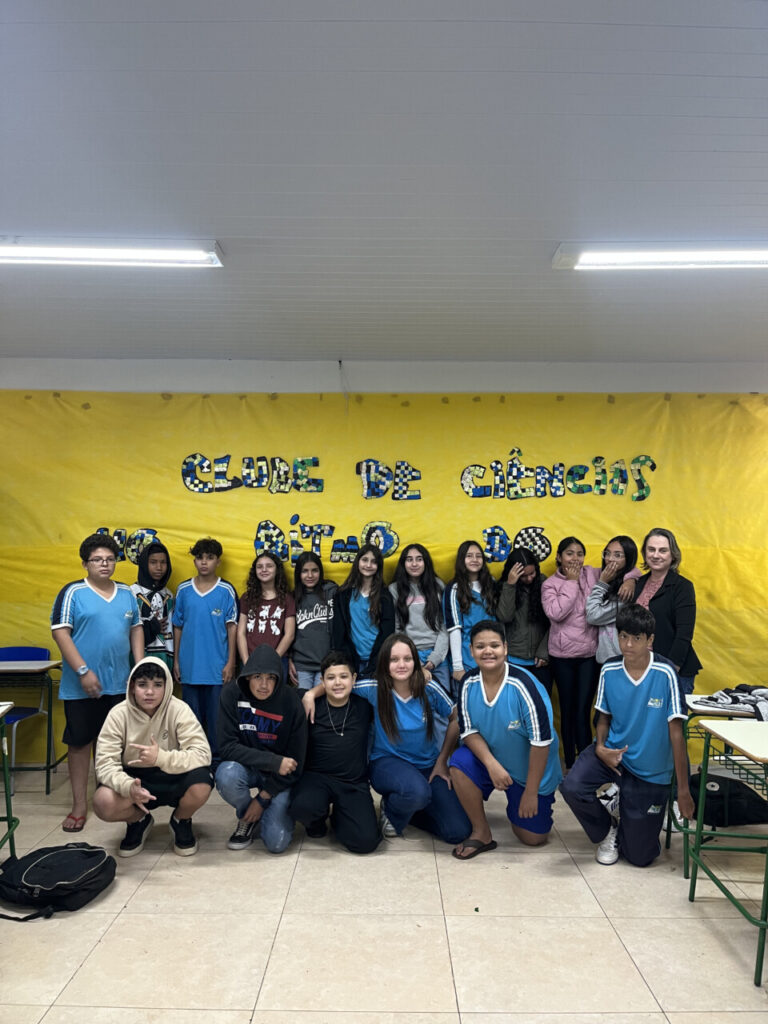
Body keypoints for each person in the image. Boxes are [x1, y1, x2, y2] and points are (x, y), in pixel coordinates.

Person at [303, 633, 471, 845]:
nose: (401, 665)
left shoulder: (429, 687)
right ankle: (392, 810)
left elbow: (456, 717)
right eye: (394, 659)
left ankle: (412, 811)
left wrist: (442, 760)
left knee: (458, 831)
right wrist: (311, 693)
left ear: (415, 661)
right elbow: (341, 683)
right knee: (417, 792)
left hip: (427, 766)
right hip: (387, 763)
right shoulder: (373, 687)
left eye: (407, 659)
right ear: (385, 662)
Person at [560, 604, 694, 867]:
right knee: (571, 786)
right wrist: (600, 747)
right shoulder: (609, 669)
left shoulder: (666, 673)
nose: (628, 644)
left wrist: (683, 791)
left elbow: (677, 735)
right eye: (623, 636)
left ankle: (625, 804)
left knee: (640, 857)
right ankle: (607, 829)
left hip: (650, 770)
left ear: (650, 640)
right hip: (613, 755)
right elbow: (603, 717)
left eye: (636, 638)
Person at [51, 533, 143, 833]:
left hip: (119, 685)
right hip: (81, 686)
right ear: (85, 564)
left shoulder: (127, 593)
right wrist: (83, 671)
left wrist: (139, 668)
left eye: (109, 559)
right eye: (97, 560)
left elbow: (136, 629)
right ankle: (79, 806)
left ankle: (109, 798)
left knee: (114, 745)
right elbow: (60, 632)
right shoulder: (73, 592)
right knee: (80, 744)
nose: (104, 564)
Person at [449, 621, 562, 859]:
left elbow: (542, 743)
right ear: (471, 651)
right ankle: (481, 832)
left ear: (506, 648)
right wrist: (491, 764)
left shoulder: (525, 686)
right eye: (480, 646)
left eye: (494, 645)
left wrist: (530, 793)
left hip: (529, 772)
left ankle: (520, 800)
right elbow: (468, 731)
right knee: (459, 762)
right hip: (494, 759)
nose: (488, 651)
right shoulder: (468, 682)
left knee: (532, 838)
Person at [93, 657, 214, 857]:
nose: (150, 692)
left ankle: (181, 821)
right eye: (142, 685)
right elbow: (105, 764)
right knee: (103, 801)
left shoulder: (179, 709)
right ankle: (138, 821)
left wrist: (160, 758)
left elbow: (202, 753)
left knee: (202, 783)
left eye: (157, 685)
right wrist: (127, 786)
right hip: (135, 779)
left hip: (174, 773)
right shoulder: (117, 714)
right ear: (132, 686)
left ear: (167, 687)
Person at [541, 536, 637, 769]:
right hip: (562, 656)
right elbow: (556, 613)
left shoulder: (593, 574)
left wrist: (631, 580)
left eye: (580, 553)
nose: (575, 558)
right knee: (567, 710)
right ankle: (570, 764)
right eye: (569, 553)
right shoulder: (550, 584)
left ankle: (585, 765)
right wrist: (572, 582)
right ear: (559, 557)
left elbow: (626, 567)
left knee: (584, 711)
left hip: (589, 655)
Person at [216, 645, 307, 854]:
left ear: (278, 679)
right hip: (248, 767)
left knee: (276, 844)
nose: (264, 685)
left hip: (280, 776)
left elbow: (296, 762)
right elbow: (227, 747)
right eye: (257, 677)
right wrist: (273, 761)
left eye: (270, 678)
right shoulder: (231, 694)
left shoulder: (291, 701)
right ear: (247, 676)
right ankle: (247, 817)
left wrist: (263, 798)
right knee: (226, 775)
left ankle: (265, 811)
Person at [290, 651, 379, 854]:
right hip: (316, 778)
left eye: (343, 676)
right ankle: (317, 822)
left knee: (365, 843)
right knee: (302, 807)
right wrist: (310, 694)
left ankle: (340, 816)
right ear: (322, 681)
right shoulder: (309, 704)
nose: (337, 683)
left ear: (353, 679)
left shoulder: (365, 705)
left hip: (352, 782)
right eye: (331, 678)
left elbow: (391, 685)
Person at [172, 537, 237, 761]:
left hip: (217, 668)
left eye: (209, 558)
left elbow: (232, 628)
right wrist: (177, 661)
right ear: (194, 561)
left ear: (218, 562)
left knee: (217, 720)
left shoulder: (226, 590)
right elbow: (178, 626)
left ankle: (216, 762)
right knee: (192, 720)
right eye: (200, 557)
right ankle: (195, 762)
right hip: (190, 667)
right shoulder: (183, 590)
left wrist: (231, 662)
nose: (204, 562)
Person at [633, 528, 701, 696]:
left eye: (662, 550)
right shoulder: (638, 583)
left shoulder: (682, 587)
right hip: (641, 668)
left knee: (668, 714)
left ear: (673, 555)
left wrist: (669, 670)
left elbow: (684, 634)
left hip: (673, 669)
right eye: (651, 549)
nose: (656, 555)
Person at [388, 543, 450, 691]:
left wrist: (435, 657)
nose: (414, 564)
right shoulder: (394, 589)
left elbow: (445, 625)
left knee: (443, 698)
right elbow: (397, 628)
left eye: (419, 559)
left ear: (425, 562)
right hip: (408, 655)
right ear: (403, 564)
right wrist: (412, 658)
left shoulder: (437, 585)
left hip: (438, 654)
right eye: (409, 559)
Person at [332, 543, 395, 676]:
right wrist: (344, 659)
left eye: (374, 562)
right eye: (365, 560)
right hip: (350, 659)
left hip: (378, 658)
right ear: (357, 562)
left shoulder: (384, 596)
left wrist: (376, 661)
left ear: (379, 566)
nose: (368, 565)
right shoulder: (343, 594)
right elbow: (339, 631)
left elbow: (387, 632)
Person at [444, 540, 497, 697]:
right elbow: (454, 629)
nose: (474, 560)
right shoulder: (454, 589)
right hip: (468, 658)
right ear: (462, 559)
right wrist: (457, 666)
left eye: (478, 556)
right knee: (469, 701)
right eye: (469, 556)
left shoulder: (492, 583)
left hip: (492, 656)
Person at [495, 546, 551, 694]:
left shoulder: (545, 583)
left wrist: (544, 651)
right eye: (523, 576)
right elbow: (505, 617)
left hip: (541, 661)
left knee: (542, 702)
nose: (529, 578)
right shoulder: (504, 587)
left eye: (532, 573)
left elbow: (555, 622)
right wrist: (510, 585)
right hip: (514, 660)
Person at [237, 551, 296, 679]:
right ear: (255, 571)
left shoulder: (287, 599)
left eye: (269, 566)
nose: (264, 570)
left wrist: (272, 660)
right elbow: (241, 633)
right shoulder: (247, 598)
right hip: (250, 659)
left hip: (277, 660)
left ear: (277, 570)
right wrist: (247, 662)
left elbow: (289, 635)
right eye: (259, 567)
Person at [585, 536, 639, 665]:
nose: (610, 559)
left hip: (621, 659)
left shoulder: (626, 591)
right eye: (607, 553)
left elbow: (593, 616)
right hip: (606, 658)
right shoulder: (609, 577)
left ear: (629, 558)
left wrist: (602, 583)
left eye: (618, 555)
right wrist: (632, 577)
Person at [289, 552, 337, 689]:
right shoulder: (293, 597)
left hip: (328, 662)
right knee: (304, 699)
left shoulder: (332, 592)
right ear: (298, 574)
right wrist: (290, 659)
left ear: (320, 572)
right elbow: (288, 633)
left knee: (320, 700)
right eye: (305, 571)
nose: (310, 575)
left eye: (314, 570)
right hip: (302, 664)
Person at [131, 540, 174, 668]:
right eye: (153, 562)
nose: (159, 567)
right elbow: (125, 630)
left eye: (163, 562)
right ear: (144, 564)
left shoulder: (169, 595)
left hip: (166, 658)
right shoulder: (132, 593)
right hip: (140, 657)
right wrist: (151, 627)